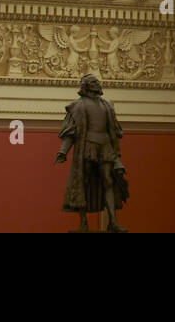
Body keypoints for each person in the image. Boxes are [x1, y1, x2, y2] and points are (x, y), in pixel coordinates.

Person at [55, 73, 128, 232]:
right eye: (93, 82)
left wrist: (117, 158)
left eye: (97, 81)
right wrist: (63, 151)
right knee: (83, 182)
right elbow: (70, 132)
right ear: (86, 86)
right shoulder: (77, 106)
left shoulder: (108, 105)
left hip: (106, 147)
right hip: (87, 146)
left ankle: (113, 222)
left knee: (108, 181)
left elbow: (114, 131)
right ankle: (83, 223)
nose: (97, 84)